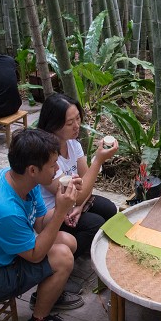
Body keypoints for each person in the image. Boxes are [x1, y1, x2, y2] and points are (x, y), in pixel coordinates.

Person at [0, 129, 85, 321]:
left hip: (3, 258)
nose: (57, 169)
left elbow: (41, 224)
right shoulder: (4, 209)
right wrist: (61, 211)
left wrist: (64, 199)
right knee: (62, 258)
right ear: (33, 169)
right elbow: (35, 256)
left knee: (68, 241)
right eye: (53, 165)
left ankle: (48, 294)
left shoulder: (23, 181)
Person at [35, 93, 120, 261]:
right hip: (54, 212)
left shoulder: (73, 144)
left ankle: (89, 247)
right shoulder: (45, 156)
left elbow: (86, 181)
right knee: (94, 224)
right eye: (69, 123)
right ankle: (64, 260)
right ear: (53, 125)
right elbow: (77, 193)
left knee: (110, 210)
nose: (76, 126)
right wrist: (98, 160)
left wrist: (79, 206)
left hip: (72, 203)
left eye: (78, 119)